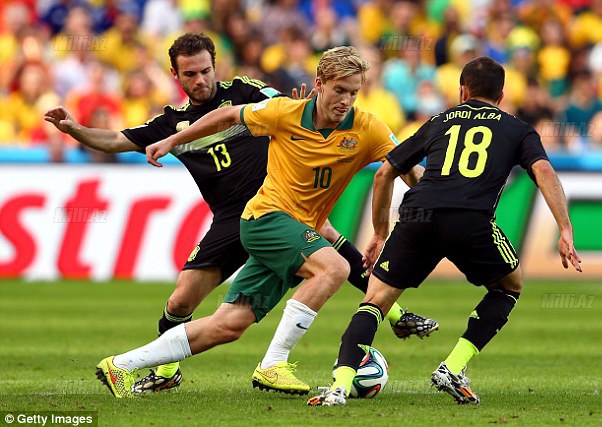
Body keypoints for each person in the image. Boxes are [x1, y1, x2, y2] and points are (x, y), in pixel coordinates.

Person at [92, 45, 432, 399]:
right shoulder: (284, 112)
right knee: (333, 268)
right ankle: (274, 363)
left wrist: (439, 195)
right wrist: (173, 140)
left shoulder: (368, 128)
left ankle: (121, 366)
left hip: (296, 230)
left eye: (353, 92)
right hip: (265, 218)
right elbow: (225, 117)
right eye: (339, 90)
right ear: (319, 84)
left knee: (229, 325)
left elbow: (404, 168)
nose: (346, 100)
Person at [308, 56, 583, 407]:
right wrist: (565, 228)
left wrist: (379, 233)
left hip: (418, 216)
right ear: (501, 95)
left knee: (374, 301)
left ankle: (340, 386)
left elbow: (383, 174)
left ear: (462, 90)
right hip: (470, 220)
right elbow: (543, 172)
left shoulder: (439, 121)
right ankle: (452, 368)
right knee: (509, 287)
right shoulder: (518, 129)